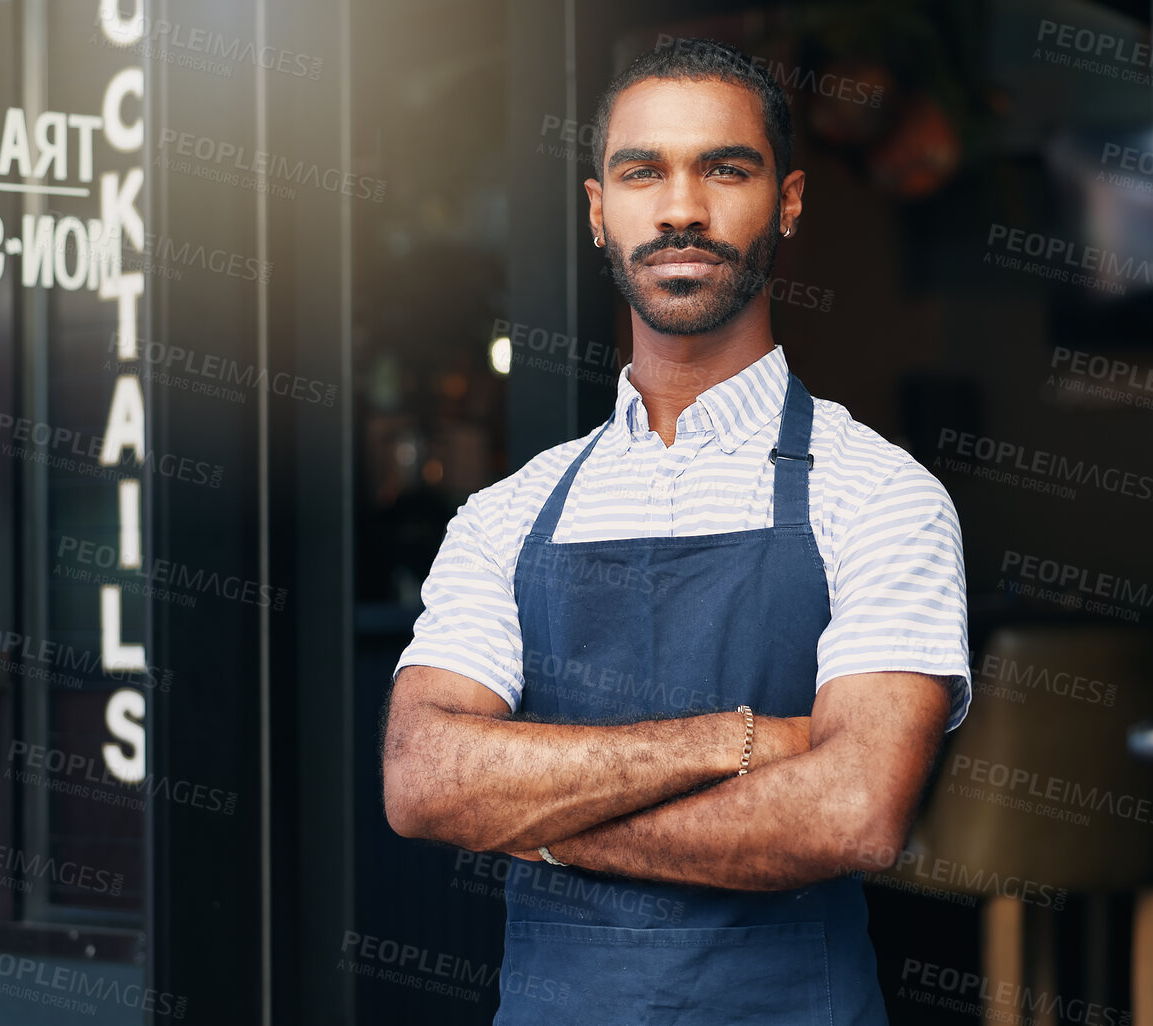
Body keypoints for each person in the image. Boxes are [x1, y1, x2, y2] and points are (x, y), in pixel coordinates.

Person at [382, 38, 969, 1025]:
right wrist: (738, 742)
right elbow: (423, 779)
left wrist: (545, 826)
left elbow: (852, 814)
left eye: (723, 169)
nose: (681, 207)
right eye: (640, 170)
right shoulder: (510, 508)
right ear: (596, 210)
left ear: (785, 201)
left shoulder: (879, 494)